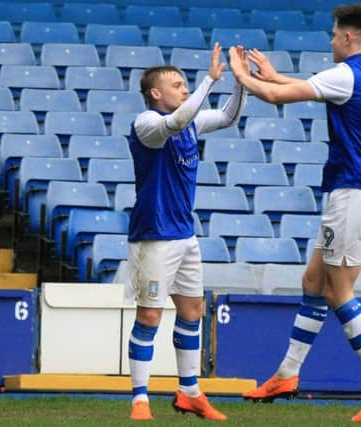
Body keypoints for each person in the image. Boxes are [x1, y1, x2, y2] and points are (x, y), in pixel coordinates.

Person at [228, 4, 361, 423]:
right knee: (314, 281)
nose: (329, 40)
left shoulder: (345, 74)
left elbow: (274, 97)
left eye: (333, 33)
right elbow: (312, 88)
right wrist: (272, 75)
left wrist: (241, 75)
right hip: (360, 191)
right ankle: (287, 374)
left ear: (346, 37)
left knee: (339, 292)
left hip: (353, 195)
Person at [126, 42, 247, 421]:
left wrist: (241, 81)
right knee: (149, 316)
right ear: (155, 93)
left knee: (192, 310)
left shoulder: (190, 120)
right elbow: (175, 121)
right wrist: (210, 82)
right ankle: (140, 398)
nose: (184, 87)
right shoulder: (146, 123)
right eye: (177, 84)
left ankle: (190, 391)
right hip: (154, 234)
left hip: (184, 234)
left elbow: (227, 117)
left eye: (185, 83)